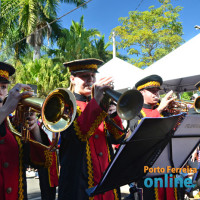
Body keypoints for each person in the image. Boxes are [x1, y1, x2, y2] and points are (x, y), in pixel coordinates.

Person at [58, 58, 125, 200]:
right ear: (72, 79)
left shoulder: (100, 103)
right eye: (84, 76)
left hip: (105, 176)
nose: (90, 80)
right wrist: (97, 102)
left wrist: (113, 113)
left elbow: (118, 137)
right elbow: (76, 135)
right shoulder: (64, 104)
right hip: (79, 179)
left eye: (93, 76)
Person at [0, 62, 58, 200]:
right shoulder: (7, 113)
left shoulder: (13, 125)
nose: (0, 91)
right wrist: (6, 110)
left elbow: (40, 161)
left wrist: (35, 129)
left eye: (3, 87)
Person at [126, 74, 180, 200]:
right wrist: (159, 110)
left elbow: (174, 134)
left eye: (157, 91)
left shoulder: (164, 111)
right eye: (152, 91)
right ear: (141, 93)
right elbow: (138, 130)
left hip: (167, 165)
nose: (156, 94)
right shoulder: (134, 112)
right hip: (146, 168)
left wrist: (177, 118)